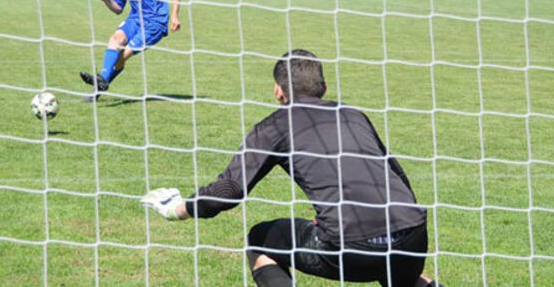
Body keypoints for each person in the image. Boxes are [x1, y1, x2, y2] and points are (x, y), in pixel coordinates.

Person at [142, 49, 443, 287]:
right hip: (412, 236)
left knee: (260, 240)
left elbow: (231, 189)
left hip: (349, 247)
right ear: (324, 88)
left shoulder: (275, 125)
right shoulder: (354, 114)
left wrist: (181, 208)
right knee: (402, 277)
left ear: (278, 91)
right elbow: (396, 173)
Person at [79, 0, 182, 102]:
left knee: (121, 57)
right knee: (115, 39)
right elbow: (118, 9)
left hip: (155, 23)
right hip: (135, 18)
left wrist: (174, 16)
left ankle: (98, 88)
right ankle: (101, 81)